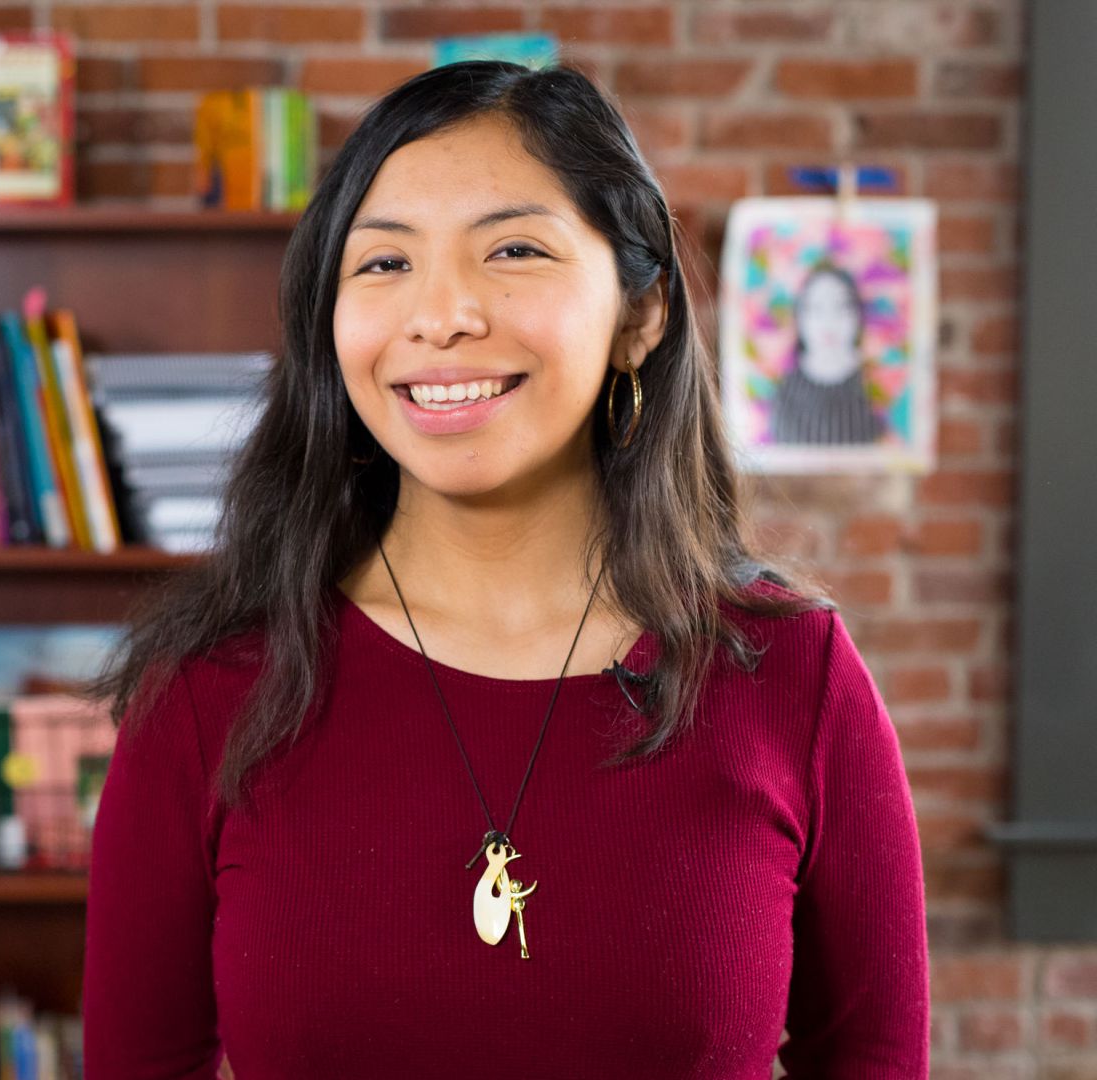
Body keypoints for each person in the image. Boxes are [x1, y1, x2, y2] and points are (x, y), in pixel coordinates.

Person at [80, 60, 928, 1078]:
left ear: (641, 313)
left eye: (513, 250)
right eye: (384, 265)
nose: (442, 318)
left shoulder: (791, 673)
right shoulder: (207, 692)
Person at [768, 263, 889, 445]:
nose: (828, 321)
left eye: (841, 308)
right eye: (816, 309)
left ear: (858, 315)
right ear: (800, 317)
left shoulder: (877, 385)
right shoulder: (786, 390)